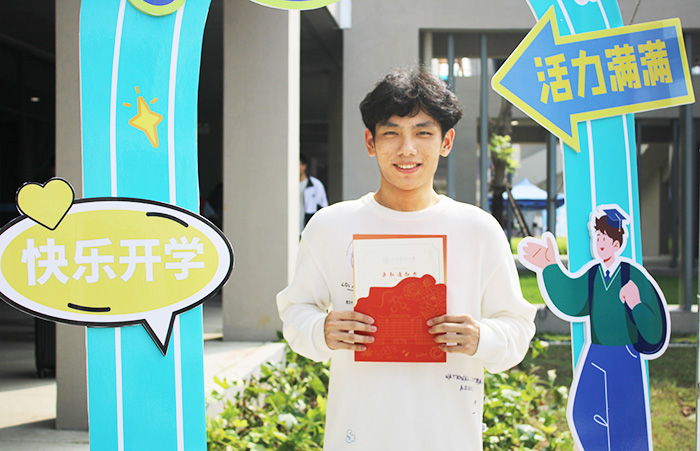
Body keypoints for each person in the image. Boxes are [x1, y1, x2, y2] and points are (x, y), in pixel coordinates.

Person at [277, 68, 536, 451]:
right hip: (358, 435)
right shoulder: (331, 226)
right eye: (392, 133)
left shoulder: (478, 229)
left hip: (449, 437)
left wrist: (482, 337)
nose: (407, 149)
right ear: (371, 141)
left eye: (423, 133)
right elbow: (295, 312)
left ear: (446, 141)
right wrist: (321, 330)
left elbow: (517, 330)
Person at [520, 206, 668, 450]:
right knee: (583, 413)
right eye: (598, 237)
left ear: (617, 243)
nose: (600, 243)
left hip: (625, 357)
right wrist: (549, 265)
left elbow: (655, 331)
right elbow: (573, 301)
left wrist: (636, 304)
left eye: (605, 238)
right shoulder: (593, 275)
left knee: (626, 421)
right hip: (596, 353)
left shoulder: (632, 275)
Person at [300, 153, 328, 231]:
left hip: (308, 229)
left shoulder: (315, 185)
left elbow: (323, 208)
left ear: (304, 166)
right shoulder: (290, 186)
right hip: (293, 229)